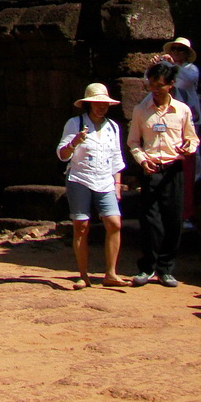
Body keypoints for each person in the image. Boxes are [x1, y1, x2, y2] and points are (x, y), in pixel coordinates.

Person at [127, 60, 200, 287]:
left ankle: (166, 268)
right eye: (151, 85)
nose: (155, 90)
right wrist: (142, 160)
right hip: (151, 169)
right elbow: (133, 142)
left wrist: (189, 147)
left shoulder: (182, 110)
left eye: (159, 85)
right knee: (150, 220)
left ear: (170, 85)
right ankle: (147, 267)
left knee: (173, 219)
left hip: (173, 169)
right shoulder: (141, 110)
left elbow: (192, 138)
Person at [56, 83, 128, 289]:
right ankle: (83, 274)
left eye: (104, 103)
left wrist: (117, 184)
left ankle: (111, 273)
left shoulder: (113, 127)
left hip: (105, 180)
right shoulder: (74, 123)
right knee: (81, 226)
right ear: (88, 104)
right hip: (80, 178)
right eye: (96, 103)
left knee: (114, 223)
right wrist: (74, 143)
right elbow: (62, 154)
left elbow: (116, 157)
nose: (101, 107)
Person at [166, 37, 201, 222]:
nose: (177, 53)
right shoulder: (170, 67)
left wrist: (172, 66)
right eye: (174, 49)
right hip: (170, 120)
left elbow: (186, 82)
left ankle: (195, 186)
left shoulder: (191, 69)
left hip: (189, 118)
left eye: (181, 50)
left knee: (193, 157)